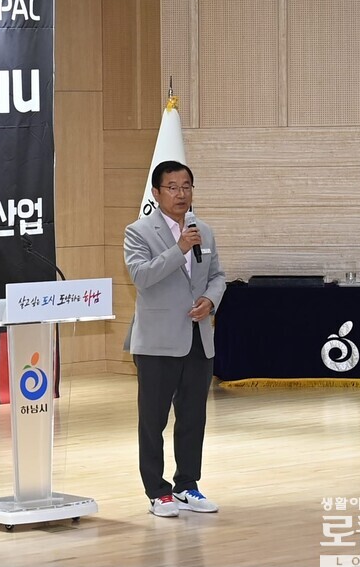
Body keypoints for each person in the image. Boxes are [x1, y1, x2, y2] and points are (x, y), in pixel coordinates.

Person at [123, 160, 226, 518]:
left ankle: (187, 485)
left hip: (198, 338)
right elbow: (141, 276)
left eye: (186, 187)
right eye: (173, 187)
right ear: (156, 192)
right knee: (153, 420)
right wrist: (179, 247)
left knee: (193, 417)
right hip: (157, 342)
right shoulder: (138, 232)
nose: (181, 194)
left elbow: (218, 276)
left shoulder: (203, 230)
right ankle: (157, 491)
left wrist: (210, 300)